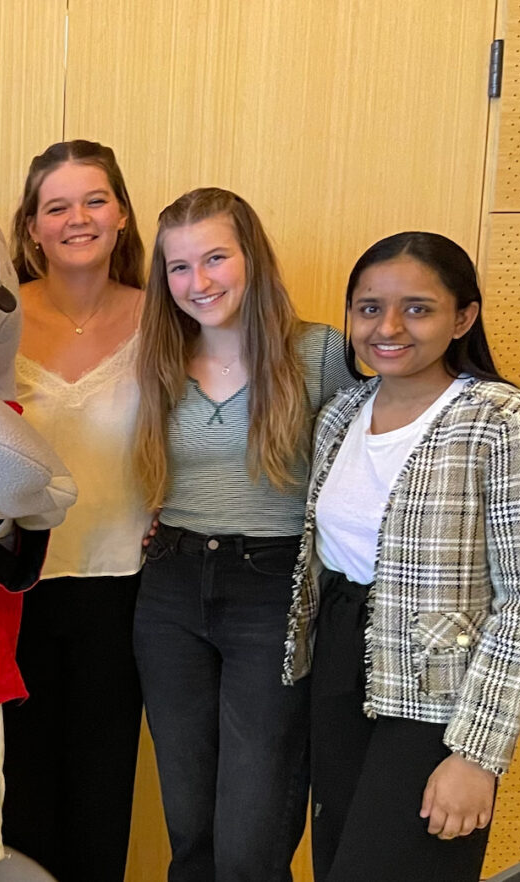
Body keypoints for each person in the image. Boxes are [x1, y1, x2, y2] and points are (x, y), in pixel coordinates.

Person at [286, 232, 520, 882]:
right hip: (339, 664)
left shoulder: (506, 421)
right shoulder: (339, 414)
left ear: (462, 317)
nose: (389, 327)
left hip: (437, 697)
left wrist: (477, 755)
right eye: (369, 307)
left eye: (417, 308)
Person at [131, 187, 352, 881]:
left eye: (216, 258)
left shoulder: (318, 354)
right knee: (190, 824)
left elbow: (366, 468)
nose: (199, 283)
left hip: (274, 591)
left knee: (251, 837)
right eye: (179, 267)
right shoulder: (158, 359)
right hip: (170, 589)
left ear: (251, 257)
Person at [2, 140, 149, 881]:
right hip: (10, 588)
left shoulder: (166, 319)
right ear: (31, 227)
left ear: (122, 214)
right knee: (16, 799)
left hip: (123, 588)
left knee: (100, 797)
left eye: (94, 200)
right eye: (56, 206)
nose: (77, 218)